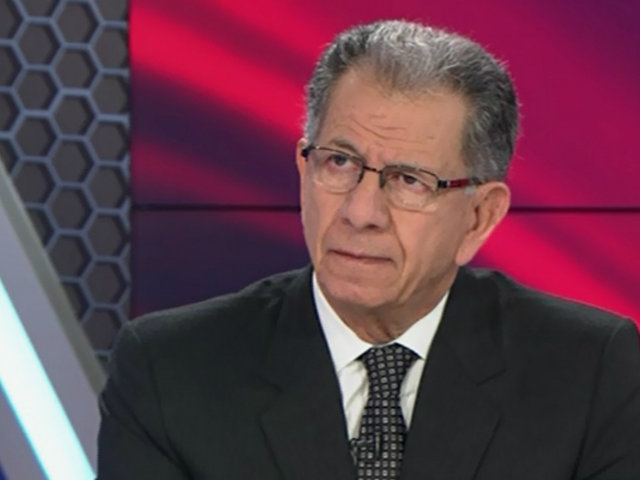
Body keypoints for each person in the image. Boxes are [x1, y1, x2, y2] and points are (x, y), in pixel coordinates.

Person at [97, 20, 640, 480]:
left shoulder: (588, 370)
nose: (360, 212)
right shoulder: (169, 370)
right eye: (339, 162)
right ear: (304, 168)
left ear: (479, 216)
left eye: (409, 180)